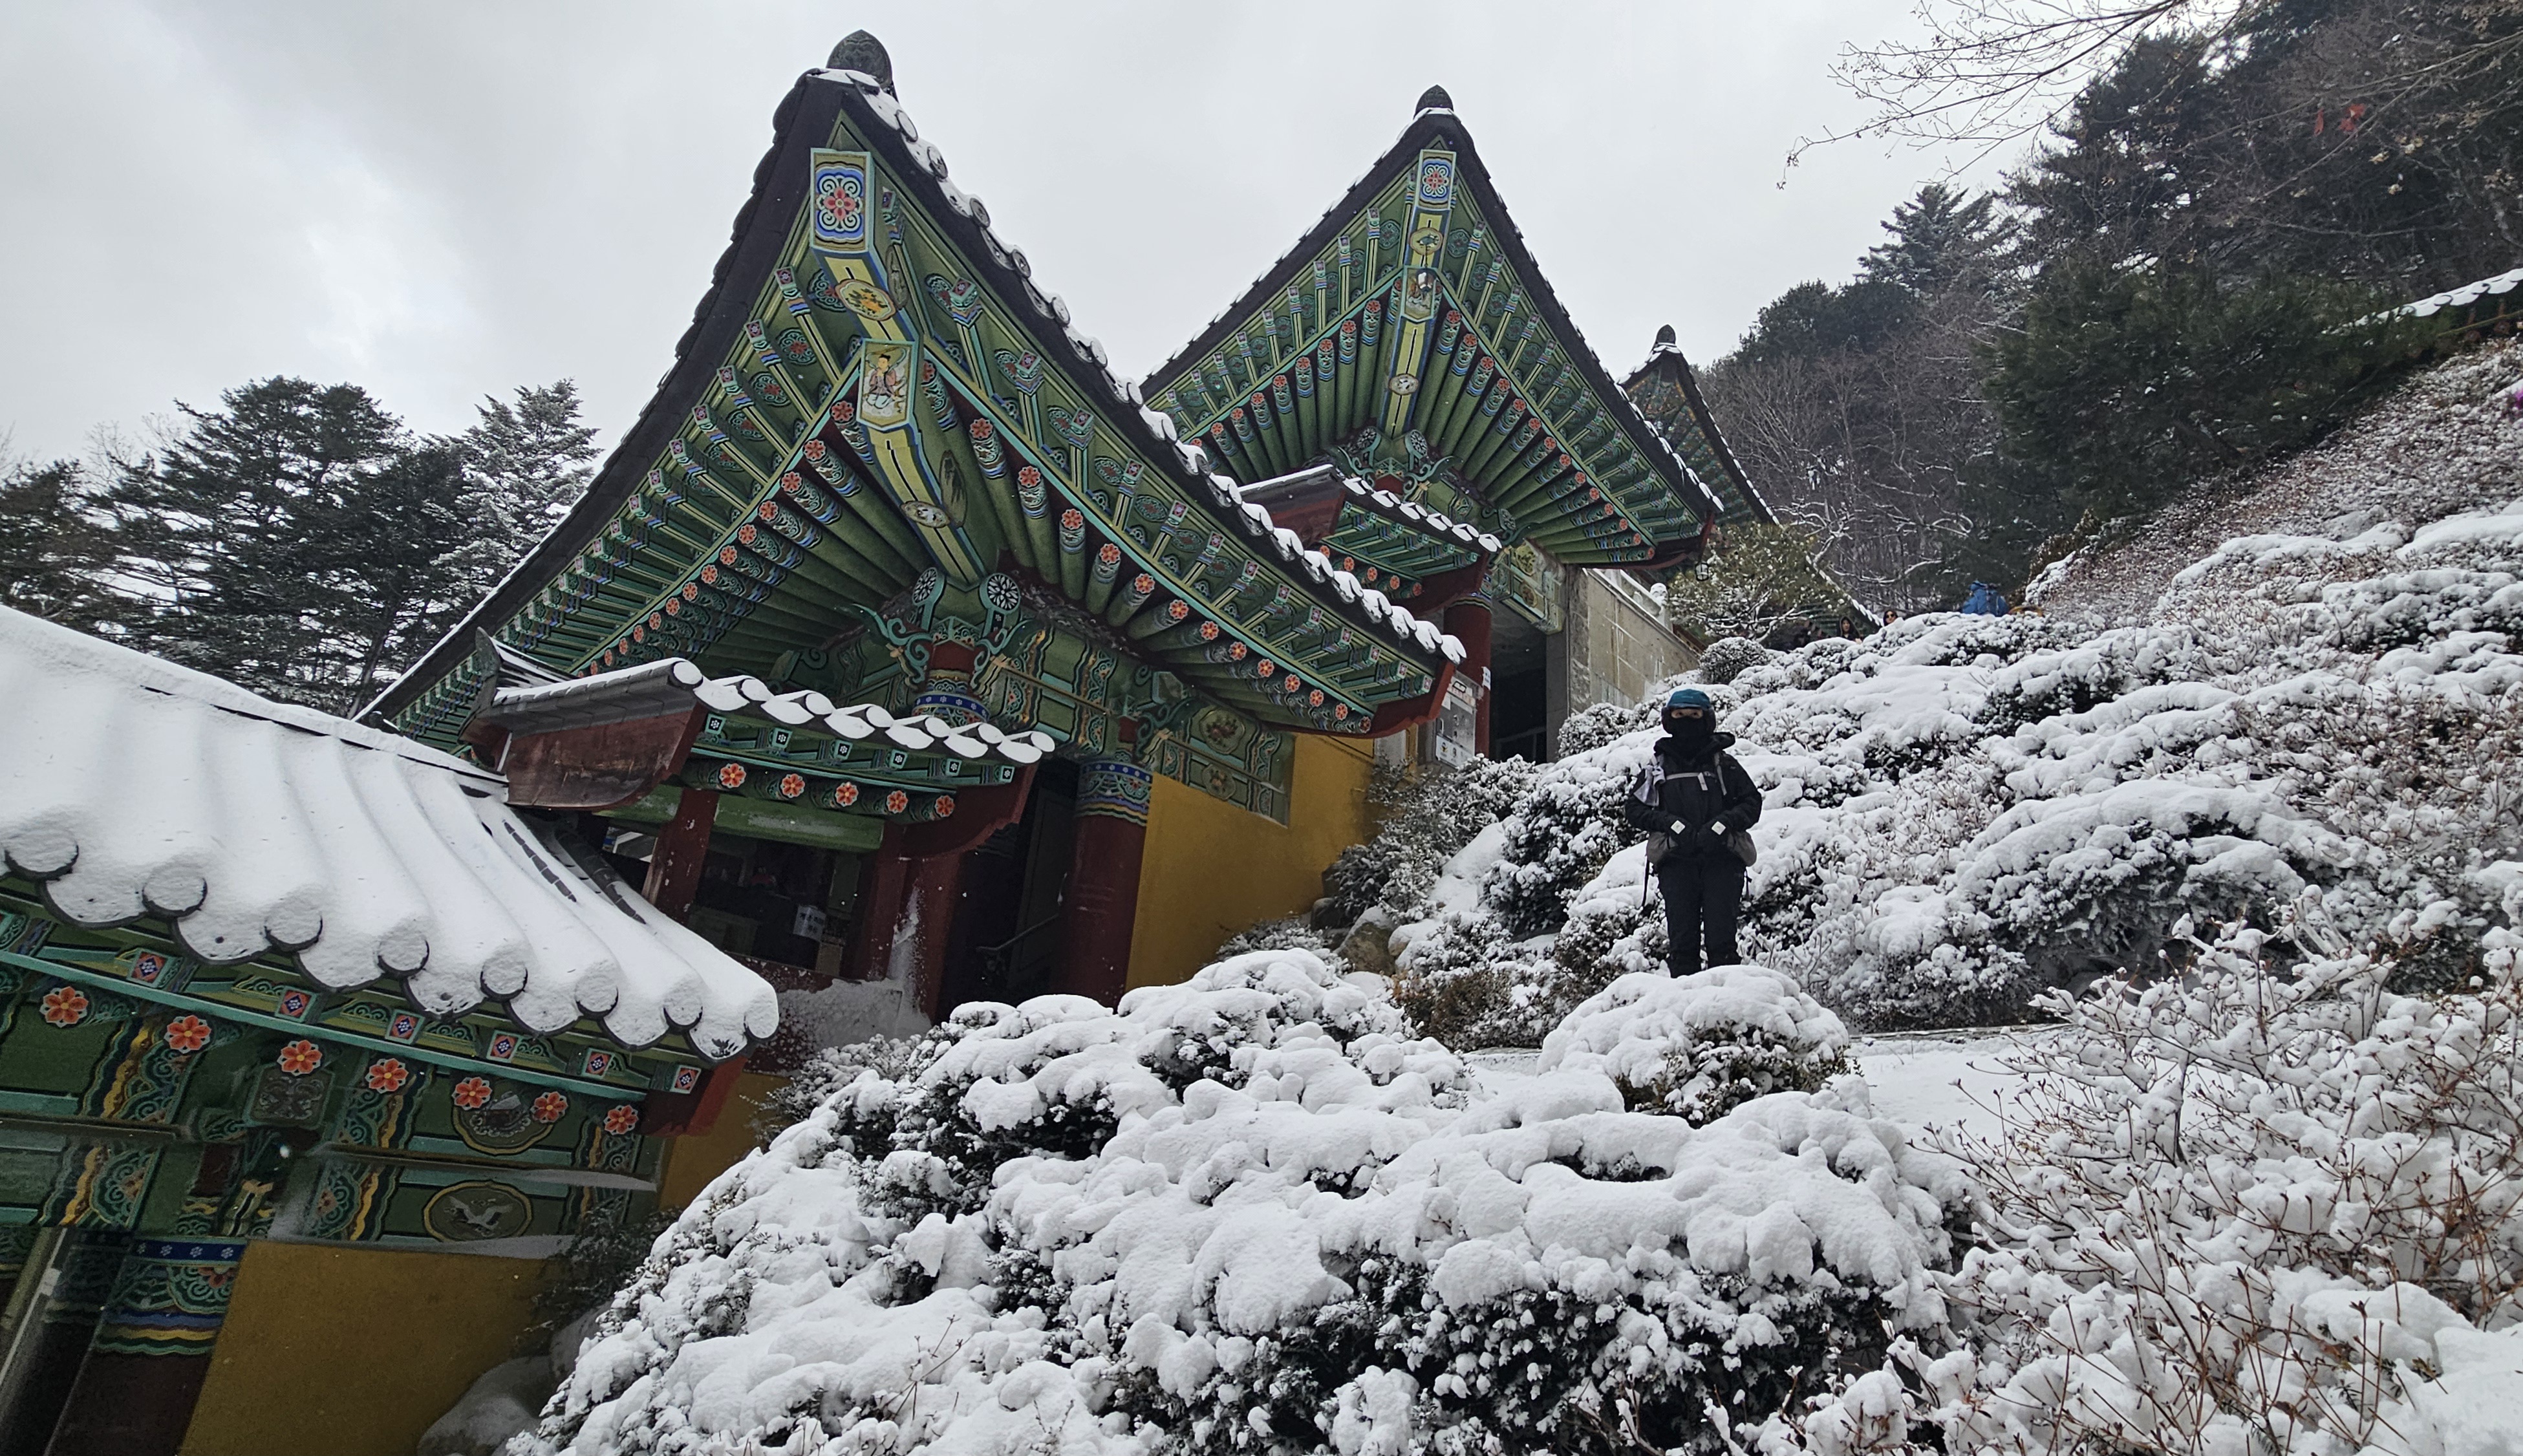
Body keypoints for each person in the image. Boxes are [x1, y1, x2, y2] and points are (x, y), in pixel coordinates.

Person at [1624, 687, 1763, 974]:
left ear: (1707, 718)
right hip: (1677, 863)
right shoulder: (1658, 766)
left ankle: (1726, 1000)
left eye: (1694, 715)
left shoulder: (1724, 763)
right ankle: (1685, 1000)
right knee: (1682, 946)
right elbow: (1634, 809)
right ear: (1669, 719)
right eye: (1680, 715)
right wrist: (1671, 824)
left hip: (1723, 860)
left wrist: (1721, 825)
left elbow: (1751, 803)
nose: (1687, 721)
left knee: (1722, 945)